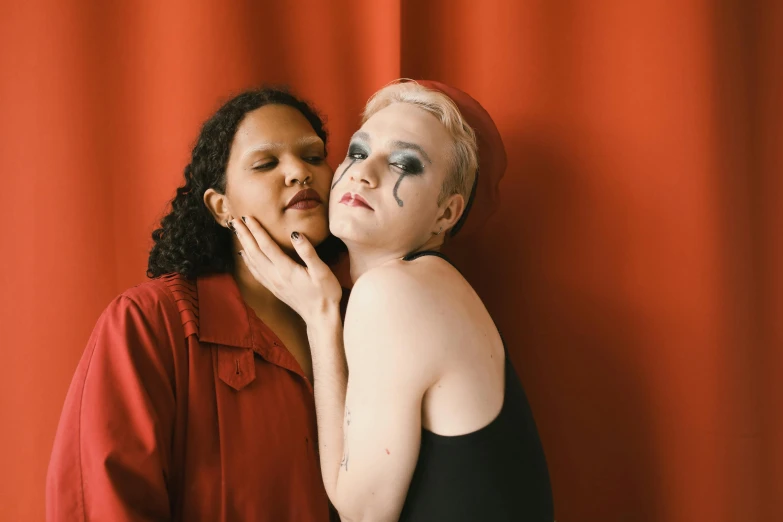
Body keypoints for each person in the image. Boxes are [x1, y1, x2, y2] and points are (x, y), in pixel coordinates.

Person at [232, 80, 554, 521]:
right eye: (359, 153)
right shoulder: (425, 284)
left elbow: (363, 512)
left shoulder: (394, 293)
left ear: (447, 213)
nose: (364, 173)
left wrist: (319, 314)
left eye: (404, 162)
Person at [46, 87, 344, 521]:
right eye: (266, 163)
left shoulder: (365, 312)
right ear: (221, 207)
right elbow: (104, 503)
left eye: (315, 157)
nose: (300, 171)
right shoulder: (149, 323)